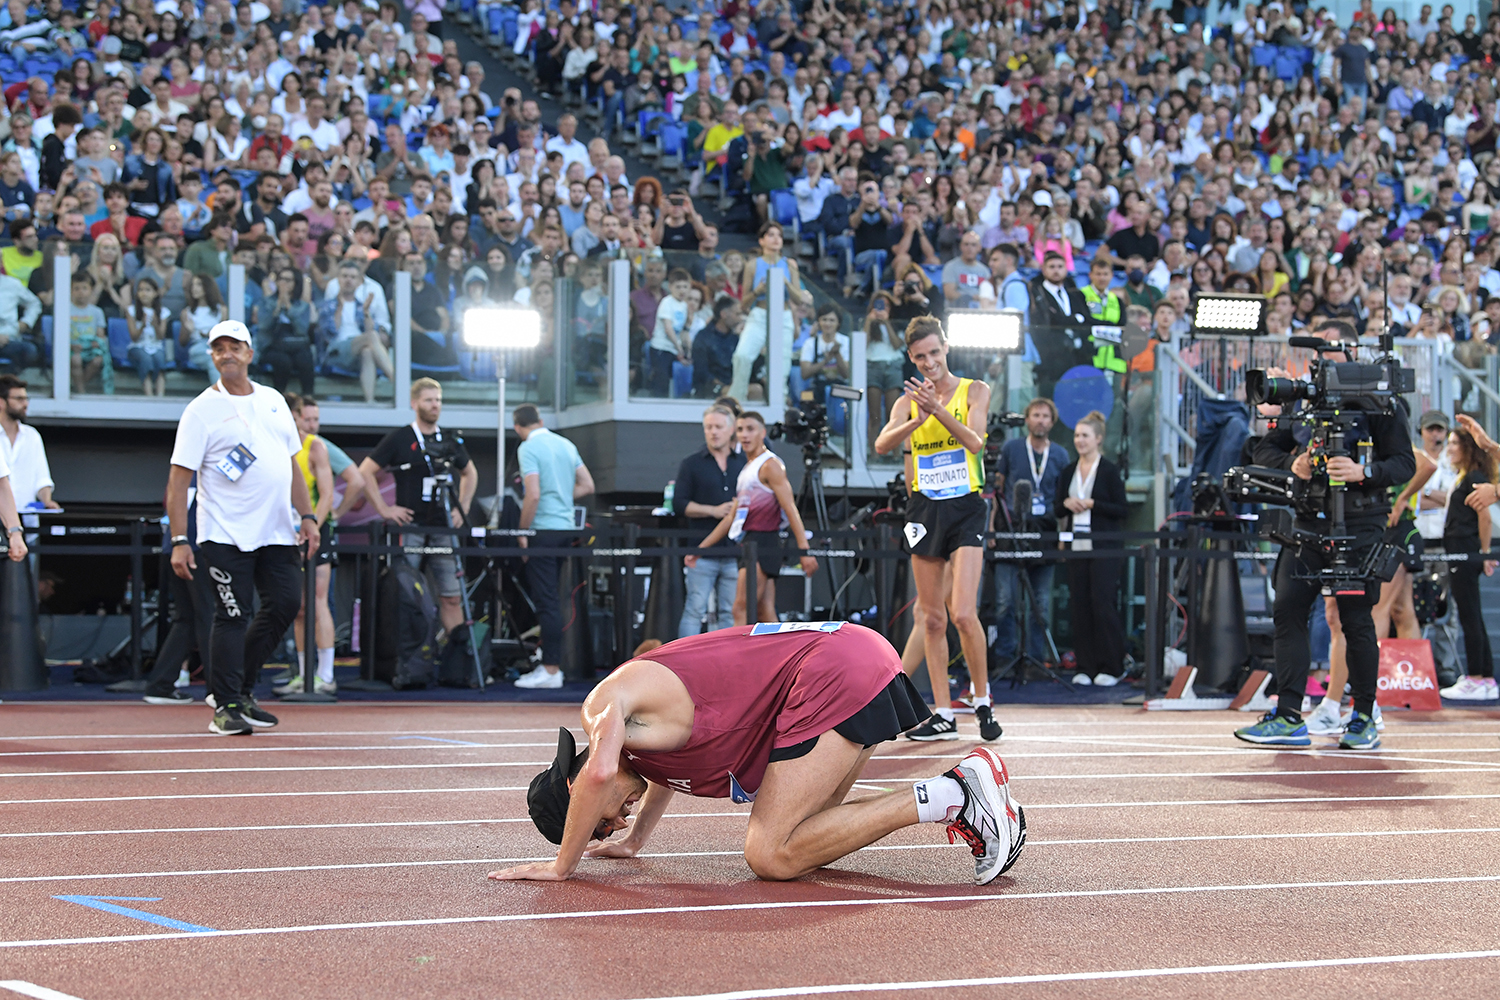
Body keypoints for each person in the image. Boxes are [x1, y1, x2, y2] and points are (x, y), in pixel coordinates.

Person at [493, 624, 1025, 886]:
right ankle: (959, 797)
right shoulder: (645, 751)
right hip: (848, 658)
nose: (617, 821)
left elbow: (601, 773)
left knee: (769, 854)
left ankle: (955, 792)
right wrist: (635, 842)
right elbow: (656, 777)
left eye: (602, 823)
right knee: (810, 835)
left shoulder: (601, 706)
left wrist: (562, 866)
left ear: (575, 789)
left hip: (829, 672)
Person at [1235, 321, 1416, 750]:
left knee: (1356, 620)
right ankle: (1288, 716)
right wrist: (1294, 463)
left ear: (1352, 351)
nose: (1325, 362)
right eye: (1319, 354)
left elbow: (1405, 463)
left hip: (1360, 524)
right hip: (1307, 523)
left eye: (1333, 352)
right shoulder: (1304, 398)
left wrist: (1363, 472)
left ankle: (1364, 717)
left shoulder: (1380, 399)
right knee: (1288, 611)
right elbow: (1264, 450)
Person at [166, 320, 320, 736]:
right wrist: (180, 540)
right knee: (233, 614)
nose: (227, 354)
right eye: (219, 348)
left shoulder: (273, 400)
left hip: (277, 531)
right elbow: (179, 480)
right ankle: (226, 704)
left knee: (286, 604)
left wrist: (307, 517)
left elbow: (292, 464)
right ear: (212, 356)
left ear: (250, 354)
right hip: (223, 532)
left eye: (235, 347)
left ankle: (239, 690)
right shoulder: (200, 410)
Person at [873, 317, 1001, 743]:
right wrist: (917, 418)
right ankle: (942, 713)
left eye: (934, 352)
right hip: (924, 508)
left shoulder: (974, 390)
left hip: (966, 506)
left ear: (946, 347)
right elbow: (882, 444)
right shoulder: (908, 402)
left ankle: (982, 699)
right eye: (920, 357)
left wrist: (938, 410)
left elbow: (975, 442)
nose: (929, 362)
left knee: (962, 612)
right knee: (930, 618)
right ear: (911, 359)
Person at [359, 378, 479, 643]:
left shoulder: (449, 439)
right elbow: (365, 472)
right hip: (411, 526)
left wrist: (463, 506)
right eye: (428, 400)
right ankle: (408, 654)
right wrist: (384, 509)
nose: (435, 405)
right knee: (406, 594)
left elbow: (470, 472)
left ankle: (459, 655)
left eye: (438, 400)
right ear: (414, 404)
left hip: (443, 527)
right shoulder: (400, 437)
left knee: (451, 595)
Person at [694, 411, 817, 626]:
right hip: (750, 541)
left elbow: (790, 508)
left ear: (762, 433)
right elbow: (732, 517)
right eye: (740, 430)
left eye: (750, 429)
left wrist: (804, 551)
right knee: (764, 609)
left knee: (740, 608)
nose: (744, 435)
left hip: (764, 541)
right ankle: (779, 649)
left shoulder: (770, 465)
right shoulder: (747, 469)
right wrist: (701, 549)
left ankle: (739, 650)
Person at [513, 404, 595, 689]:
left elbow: (533, 494)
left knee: (546, 601)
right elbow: (588, 485)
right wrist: (562, 496)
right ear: (541, 420)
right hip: (565, 529)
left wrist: (522, 530)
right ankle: (549, 664)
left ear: (517, 427)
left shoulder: (528, 448)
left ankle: (550, 669)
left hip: (543, 529)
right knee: (552, 598)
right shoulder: (565, 444)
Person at [1053, 410, 1128, 685]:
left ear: (1098, 439)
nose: (1080, 440)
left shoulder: (1109, 470)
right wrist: (1067, 504)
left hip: (1104, 546)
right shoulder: (1068, 471)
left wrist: (1093, 504)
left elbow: (1122, 509)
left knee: (1102, 603)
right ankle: (1085, 666)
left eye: (1085, 435)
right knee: (1080, 604)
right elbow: (1057, 507)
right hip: (1077, 545)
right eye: (1076, 435)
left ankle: (1112, 666)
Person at [992, 398, 1067, 669]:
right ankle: (1005, 656)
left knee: (1041, 603)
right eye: (1036, 415)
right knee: (1005, 600)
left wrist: (1063, 537)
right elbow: (997, 491)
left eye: (1045, 416)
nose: (1040, 420)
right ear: (1027, 420)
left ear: (1052, 421)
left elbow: (1063, 499)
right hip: (1010, 528)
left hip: (1044, 530)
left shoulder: (1060, 454)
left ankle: (1036, 658)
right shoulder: (1012, 448)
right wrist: (991, 530)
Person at [1436, 426, 1498, 702]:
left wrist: (1484, 553)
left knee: (1469, 615)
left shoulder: (1473, 477)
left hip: (1466, 551)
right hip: (1460, 550)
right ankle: (1484, 678)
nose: (1449, 448)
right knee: (1471, 614)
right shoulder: (1464, 476)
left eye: (1454, 443)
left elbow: (1485, 517)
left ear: (1468, 448)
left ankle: (1477, 677)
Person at [675, 405, 746, 638]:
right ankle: (685, 658)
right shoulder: (691, 463)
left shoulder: (743, 462)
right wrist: (713, 511)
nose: (713, 432)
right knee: (694, 610)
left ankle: (726, 658)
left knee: (730, 611)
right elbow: (680, 504)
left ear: (731, 430)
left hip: (735, 550)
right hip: (702, 550)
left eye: (718, 427)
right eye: (708, 427)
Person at [0, 375, 55, 510]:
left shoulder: (32, 436)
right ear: (1, 402)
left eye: (26, 399)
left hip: (27, 516)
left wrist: (47, 501)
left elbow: (42, 478)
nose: (25, 404)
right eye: (19, 399)